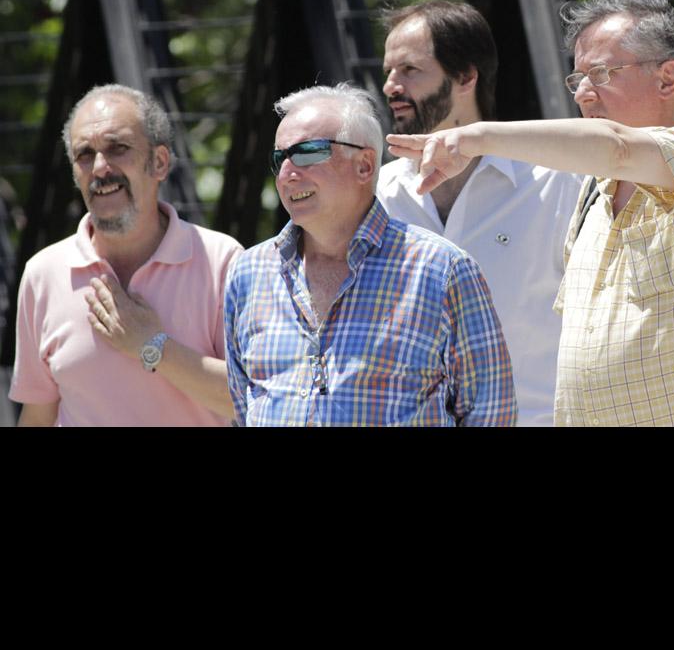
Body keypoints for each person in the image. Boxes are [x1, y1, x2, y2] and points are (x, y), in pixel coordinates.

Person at [387, 0, 674, 427]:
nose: (583, 94)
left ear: (668, 79)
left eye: (601, 73)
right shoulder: (593, 193)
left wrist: (476, 137)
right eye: (577, 79)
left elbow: (617, 147)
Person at [223, 82, 517, 427]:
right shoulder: (248, 273)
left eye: (306, 153)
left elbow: (491, 414)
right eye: (279, 158)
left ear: (364, 165)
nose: (287, 174)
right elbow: (244, 406)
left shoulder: (441, 270)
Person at [377, 0, 582, 426]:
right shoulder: (376, 196)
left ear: (466, 77)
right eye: (389, 71)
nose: (391, 86)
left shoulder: (556, 184)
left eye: (410, 70)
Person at [10, 84, 243, 426]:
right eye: (84, 154)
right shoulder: (43, 273)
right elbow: (37, 418)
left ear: (159, 162)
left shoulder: (223, 261)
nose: (100, 167)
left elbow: (252, 399)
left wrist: (153, 346)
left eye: (117, 148)